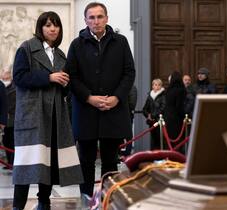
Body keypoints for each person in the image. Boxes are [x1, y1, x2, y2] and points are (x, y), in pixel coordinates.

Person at [12, 11, 83, 210]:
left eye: (56, 25)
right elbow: (19, 77)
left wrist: (66, 83)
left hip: (54, 116)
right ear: (40, 28)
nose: (52, 29)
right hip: (33, 115)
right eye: (47, 25)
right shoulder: (26, 48)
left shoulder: (61, 55)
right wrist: (49, 77)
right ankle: (18, 206)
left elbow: (65, 88)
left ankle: (44, 202)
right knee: (26, 163)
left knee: (49, 162)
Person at [65, 2, 136, 199]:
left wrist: (116, 97)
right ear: (85, 20)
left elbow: (129, 73)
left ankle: (108, 197)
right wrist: (88, 97)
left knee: (110, 160)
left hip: (112, 110)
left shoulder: (120, 42)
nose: (96, 21)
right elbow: (72, 76)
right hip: (86, 110)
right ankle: (86, 198)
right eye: (92, 17)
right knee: (86, 159)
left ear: (106, 18)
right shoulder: (77, 45)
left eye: (100, 17)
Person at [164, 71, 186, 152]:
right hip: (176, 119)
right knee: (177, 141)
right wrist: (184, 116)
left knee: (169, 141)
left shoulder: (168, 89)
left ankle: (169, 157)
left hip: (168, 117)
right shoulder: (180, 90)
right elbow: (179, 106)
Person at [142, 79, 165, 150]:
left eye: (159, 85)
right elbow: (144, 109)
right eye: (155, 85)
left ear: (161, 86)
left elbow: (163, 108)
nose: (157, 86)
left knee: (160, 140)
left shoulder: (163, 96)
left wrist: (153, 115)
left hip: (160, 121)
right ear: (152, 86)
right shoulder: (150, 96)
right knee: (153, 140)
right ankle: (154, 156)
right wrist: (148, 115)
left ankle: (161, 156)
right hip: (151, 122)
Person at [0, 71, 15, 168]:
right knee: (6, 142)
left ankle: (12, 162)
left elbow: (4, 104)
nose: (4, 75)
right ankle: (9, 162)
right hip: (6, 119)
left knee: (12, 142)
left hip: (12, 120)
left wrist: (2, 121)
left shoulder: (16, 87)